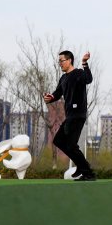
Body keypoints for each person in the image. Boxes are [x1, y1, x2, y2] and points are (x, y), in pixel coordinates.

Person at [44, 50, 96, 181]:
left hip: (78, 114)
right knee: (58, 141)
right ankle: (82, 166)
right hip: (70, 116)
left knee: (71, 145)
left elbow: (89, 79)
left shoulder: (78, 73)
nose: (60, 64)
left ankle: (88, 173)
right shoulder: (63, 78)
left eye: (62, 61)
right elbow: (57, 93)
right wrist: (50, 97)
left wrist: (84, 63)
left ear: (69, 60)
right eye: (59, 61)